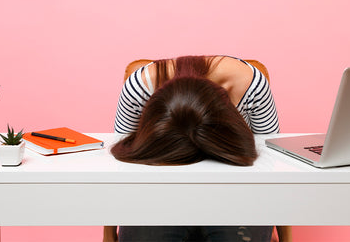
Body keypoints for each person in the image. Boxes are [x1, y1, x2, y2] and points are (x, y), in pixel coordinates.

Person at [104, 55, 280, 242]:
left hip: (234, 193)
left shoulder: (250, 85)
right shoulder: (139, 88)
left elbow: (271, 157)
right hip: (159, 194)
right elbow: (123, 163)